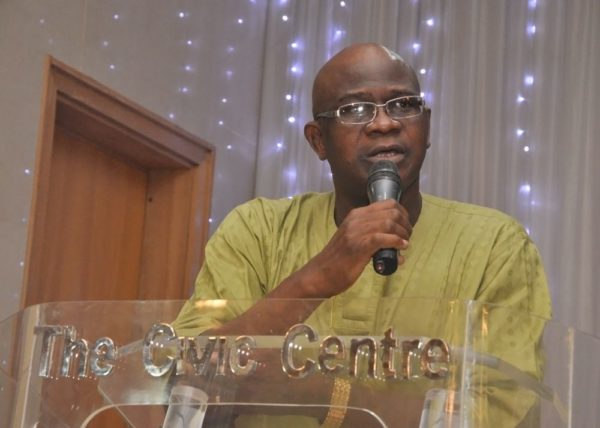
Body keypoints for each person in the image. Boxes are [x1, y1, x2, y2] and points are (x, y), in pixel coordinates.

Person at [172, 43, 552, 427]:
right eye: (354, 109)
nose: (384, 123)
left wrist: (320, 396)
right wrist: (316, 279)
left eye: (404, 104)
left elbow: (496, 413)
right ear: (318, 140)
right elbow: (184, 381)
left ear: (427, 126)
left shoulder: (495, 246)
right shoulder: (258, 231)